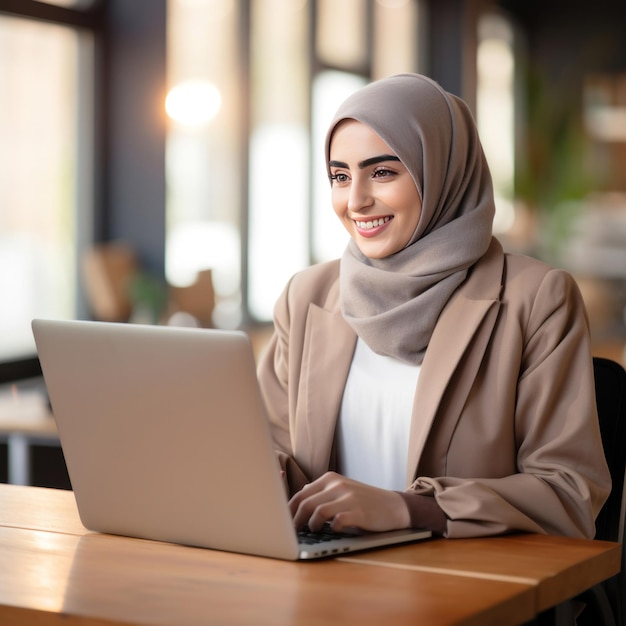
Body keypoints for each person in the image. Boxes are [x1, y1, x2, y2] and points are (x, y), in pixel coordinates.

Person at [256, 73, 611, 539]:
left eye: (382, 172)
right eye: (340, 176)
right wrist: (257, 474)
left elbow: (569, 492)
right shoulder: (306, 297)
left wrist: (410, 510)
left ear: (442, 170)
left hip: (466, 585)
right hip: (325, 579)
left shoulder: (536, 298)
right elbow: (270, 448)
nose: (356, 201)